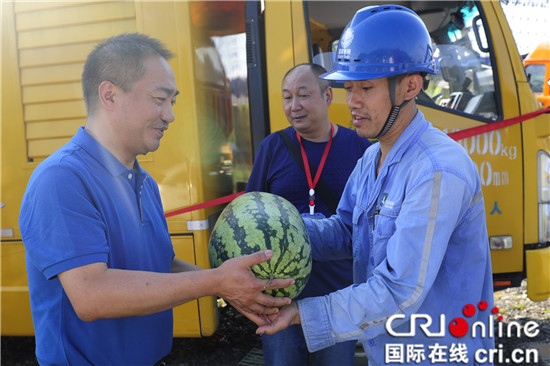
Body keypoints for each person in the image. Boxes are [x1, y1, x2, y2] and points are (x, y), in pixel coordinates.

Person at [19, 33, 293, 366]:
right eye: (159, 99)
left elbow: (159, 264)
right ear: (110, 95)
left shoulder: (143, 183)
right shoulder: (62, 179)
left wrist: (230, 285)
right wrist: (216, 280)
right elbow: (91, 295)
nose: (170, 115)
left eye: (172, 101)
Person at [256, 5, 495, 366]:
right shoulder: (372, 158)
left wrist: (302, 312)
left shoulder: (436, 170)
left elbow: (399, 289)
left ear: (410, 86)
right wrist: (278, 229)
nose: (352, 103)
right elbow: (347, 231)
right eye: (349, 88)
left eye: (366, 87)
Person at [246, 63, 371, 365]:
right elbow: (249, 216)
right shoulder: (273, 147)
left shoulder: (360, 148)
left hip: (337, 298)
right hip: (280, 297)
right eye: (287, 97)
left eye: (303, 95)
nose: (294, 106)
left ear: (328, 96)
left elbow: (368, 224)